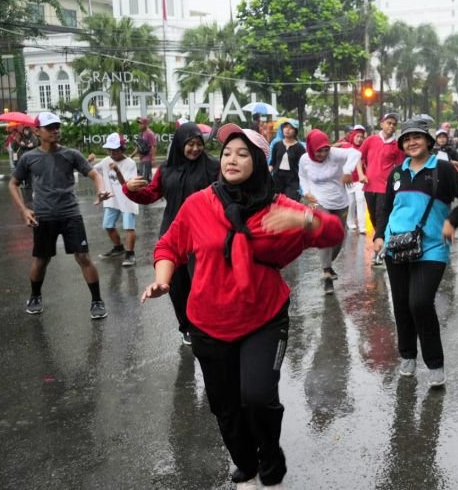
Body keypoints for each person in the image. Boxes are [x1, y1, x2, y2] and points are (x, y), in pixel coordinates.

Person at [142, 123, 344, 489]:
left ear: (260, 162)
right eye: (227, 153)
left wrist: (304, 218)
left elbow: (333, 233)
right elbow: (169, 246)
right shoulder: (199, 204)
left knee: (258, 397)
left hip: (263, 318)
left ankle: (270, 454)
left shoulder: (279, 206)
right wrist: (163, 278)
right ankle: (245, 465)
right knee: (225, 407)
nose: (232, 160)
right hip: (207, 320)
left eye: (243, 154)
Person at [373, 118, 458, 387]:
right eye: (406, 139)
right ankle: (407, 356)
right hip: (395, 247)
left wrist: (452, 221)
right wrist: (378, 235)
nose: (411, 142)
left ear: (429, 141)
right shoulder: (397, 173)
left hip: (431, 248)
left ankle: (435, 363)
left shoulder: (443, 169)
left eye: (417, 137)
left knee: (419, 303)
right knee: (401, 305)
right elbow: (386, 207)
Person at [124, 122, 220, 345]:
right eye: (190, 144)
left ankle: (208, 324)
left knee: (203, 282)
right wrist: (128, 189)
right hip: (173, 235)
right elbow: (149, 195)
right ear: (179, 145)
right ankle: (186, 327)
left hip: (203, 235)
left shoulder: (213, 168)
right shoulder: (166, 169)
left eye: (199, 144)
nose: (195, 149)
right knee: (176, 286)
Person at [8, 112, 112, 318]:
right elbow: (13, 183)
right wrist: (24, 210)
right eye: (50, 127)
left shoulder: (71, 154)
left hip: (70, 214)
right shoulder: (29, 158)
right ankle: (35, 296)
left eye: (57, 126)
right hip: (43, 216)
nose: (56, 130)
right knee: (41, 260)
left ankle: (97, 301)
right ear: (37, 131)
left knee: (83, 257)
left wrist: (100, 190)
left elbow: (94, 174)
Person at [299, 129, 361, 293]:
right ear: (311, 148)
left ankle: (327, 265)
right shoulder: (304, 159)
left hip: (341, 201)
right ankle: (326, 273)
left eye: (325, 150)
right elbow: (303, 177)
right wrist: (306, 192)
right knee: (325, 233)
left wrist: (347, 170)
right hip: (319, 202)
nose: (323, 154)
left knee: (339, 237)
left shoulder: (335, 154)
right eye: (319, 151)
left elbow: (355, 153)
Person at [90, 133, 139, 267]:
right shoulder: (106, 160)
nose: (113, 152)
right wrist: (89, 161)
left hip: (127, 198)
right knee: (108, 225)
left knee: (129, 226)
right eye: (110, 149)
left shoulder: (130, 164)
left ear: (123, 148)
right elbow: (91, 171)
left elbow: (127, 185)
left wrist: (117, 171)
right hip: (112, 198)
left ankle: (130, 254)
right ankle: (118, 247)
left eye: (116, 149)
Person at [361, 112, 405, 263]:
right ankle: (383, 242)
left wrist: (397, 185)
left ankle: (377, 253)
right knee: (374, 218)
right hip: (369, 187)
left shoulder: (397, 146)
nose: (391, 126)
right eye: (388, 123)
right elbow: (358, 158)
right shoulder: (370, 140)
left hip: (386, 188)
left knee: (381, 218)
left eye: (394, 124)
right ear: (381, 124)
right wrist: (361, 174)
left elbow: (399, 168)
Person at [268, 119, 305, 201]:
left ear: (295, 131)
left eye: (291, 128)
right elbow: (272, 162)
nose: (287, 130)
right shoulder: (277, 145)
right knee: (275, 200)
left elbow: (304, 164)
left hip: (292, 178)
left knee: (291, 200)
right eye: (285, 127)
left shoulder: (300, 147)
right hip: (277, 177)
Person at [342, 125, 368, 233]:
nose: (360, 139)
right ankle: (350, 222)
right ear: (353, 136)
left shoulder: (364, 149)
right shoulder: (345, 148)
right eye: (357, 136)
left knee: (360, 201)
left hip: (360, 181)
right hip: (349, 181)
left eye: (362, 137)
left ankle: (362, 225)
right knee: (351, 202)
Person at [135, 116, 157, 182]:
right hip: (142, 160)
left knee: (144, 179)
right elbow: (139, 146)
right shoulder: (141, 133)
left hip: (147, 160)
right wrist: (131, 156)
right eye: (139, 123)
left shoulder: (150, 133)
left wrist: (153, 159)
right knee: (141, 177)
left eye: (141, 123)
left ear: (145, 124)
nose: (139, 125)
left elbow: (154, 146)